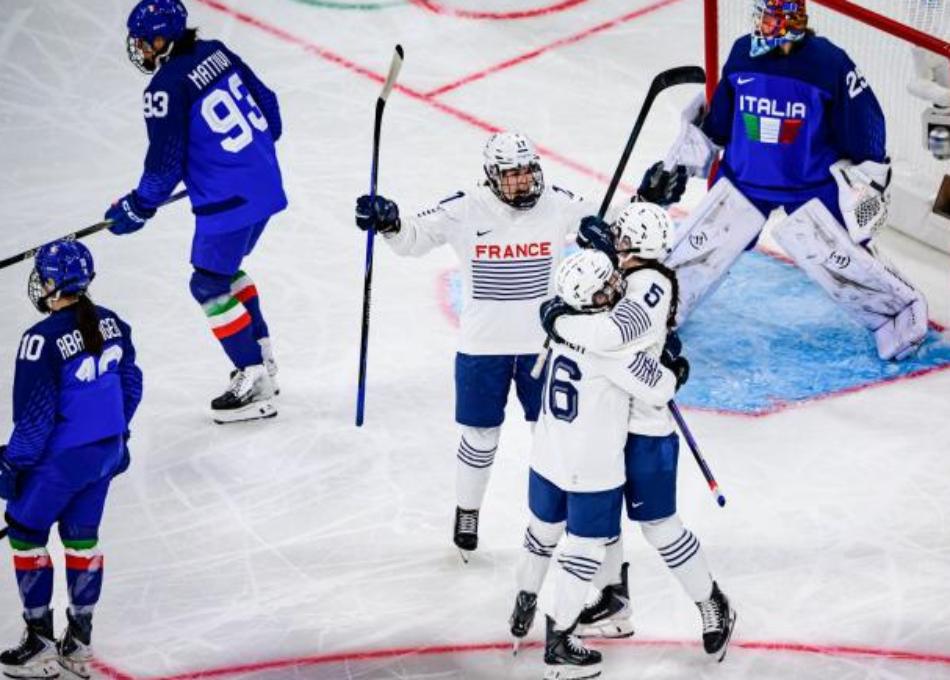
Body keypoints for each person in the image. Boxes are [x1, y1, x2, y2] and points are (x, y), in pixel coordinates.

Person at [354, 131, 687, 557]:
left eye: (529, 171)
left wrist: (646, 200)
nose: (523, 182)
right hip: (481, 348)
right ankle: (467, 509)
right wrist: (389, 222)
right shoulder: (464, 208)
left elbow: (609, 222)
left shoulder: (556, 202)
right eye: (512, 175)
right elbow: (414, 237)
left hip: (543, 346)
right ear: (492, 175)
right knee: (480, 436)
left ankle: (559, 518)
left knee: (552, 434)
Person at [528, 203, 736, 662]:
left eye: (621, 237)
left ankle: (711, 601)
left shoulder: (652, 284)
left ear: (638, 244)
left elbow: (612, 334)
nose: (614, 239)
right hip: (605, 424)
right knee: (599, 525)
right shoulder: (626, 274)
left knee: (658, 526)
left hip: (644, 427)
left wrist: (559, 319)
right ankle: (613, 600)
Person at [665, 0, 928, 361]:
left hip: (810, 185)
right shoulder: (742, 53)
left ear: (790, 20)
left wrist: (870, 176)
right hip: (745, 181)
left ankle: (898, 312)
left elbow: (863, 122)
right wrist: (686, 160)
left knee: (839, 258)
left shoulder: (829, 63)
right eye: (761, 14)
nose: (760, 22)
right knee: (699, 250)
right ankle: (660, 307)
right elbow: (720, 122)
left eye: (768, 16)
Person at [106, 0, 287, 423]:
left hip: (228, 202)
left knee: (207, 283)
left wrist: (137, 206)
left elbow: (164, 167)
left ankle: (253, 376)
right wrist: (235, 163)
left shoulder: (164, 88)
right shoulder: (217, 52)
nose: (139, 49)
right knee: (224, 272)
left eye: (143, 41)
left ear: (161, 40)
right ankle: (262, 357)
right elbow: (271, 111)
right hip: (265, 184)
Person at [509, 249, 680, 678]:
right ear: (588, 300)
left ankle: (523, 605)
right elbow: (660, 388)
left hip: (547, 456)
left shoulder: (562, 323)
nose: (616, 287)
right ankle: (559, 645)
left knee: (540, 534)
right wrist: (674, 365)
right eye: (604, 288)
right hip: (592, 467)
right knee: (584, 551)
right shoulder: (614, 347)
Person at [0, 241, 143, 678]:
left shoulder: (39, 340)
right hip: (104, 454)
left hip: (60, 461)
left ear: (50, 283)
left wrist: (11, 466)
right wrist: (116, 438)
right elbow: (131, 386)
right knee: (82, 539)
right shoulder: (114, 323)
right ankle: (79, 645)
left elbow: (35, 418)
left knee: (26, 535)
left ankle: (40, 646)